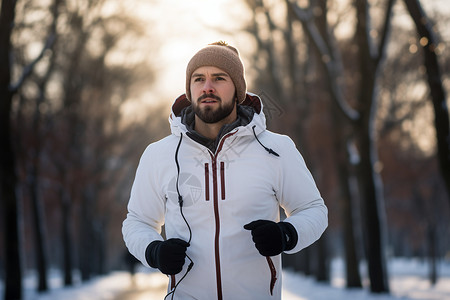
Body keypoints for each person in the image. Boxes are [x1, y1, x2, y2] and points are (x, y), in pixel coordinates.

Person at [122, 41, 328, 300]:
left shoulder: (276, 149)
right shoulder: (159, 154)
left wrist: (287, 234)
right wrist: (154, 251)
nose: (207, 87)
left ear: (238, 90)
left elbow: (314, 210)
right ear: (190, 89)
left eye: (219, 78)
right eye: (199, 79)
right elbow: (137, 222)